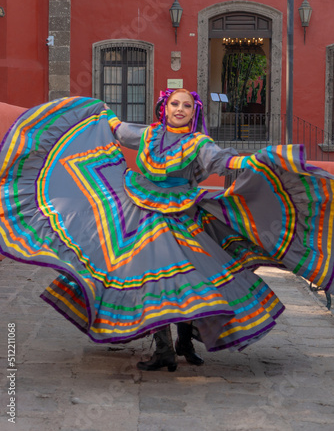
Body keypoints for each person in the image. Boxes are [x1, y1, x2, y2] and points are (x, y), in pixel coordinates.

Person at [1, 91, 334, 373]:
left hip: (181, 216)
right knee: (153, 279)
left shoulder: (199, 143)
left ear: (194, 112)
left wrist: (255, 161)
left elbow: (224, 162)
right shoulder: (146, 134)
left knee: (187, 281)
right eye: (175, 103)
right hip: (139, 214)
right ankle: (163, 351)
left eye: (187, 105)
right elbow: (114, 128)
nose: (180, 109)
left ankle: (184, 342)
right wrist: (97, 111)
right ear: (164, 108)